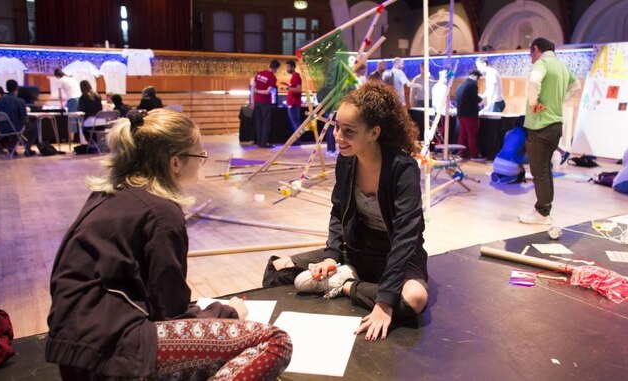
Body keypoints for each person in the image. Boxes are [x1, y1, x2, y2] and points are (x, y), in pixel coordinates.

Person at [45, 109, 292, 380]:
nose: (202, 162)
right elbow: (173, 314)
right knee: (274, 341)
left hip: (76, 353)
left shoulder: (107, 195)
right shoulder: (161, 213)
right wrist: (228, 312)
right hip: (116, 351)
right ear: (175, 162)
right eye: (199, 155)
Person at [263, 81, 429, 341]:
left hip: (398, 255)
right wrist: (330, 255)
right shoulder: (346, 160)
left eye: (348, 131)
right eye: (336, 127)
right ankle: (346, 275)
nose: (338, 137)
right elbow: (338, 211)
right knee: (279, 269)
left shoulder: (403, 168)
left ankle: (346, 286)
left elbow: (406, 237)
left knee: (415, 299)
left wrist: (384, 303)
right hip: (356, 250)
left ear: (374, 133)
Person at [519, 37, 580, 225]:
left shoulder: (543, 63)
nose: (531, 58)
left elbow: (534, 81)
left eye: (531, 53)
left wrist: (534, 103)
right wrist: (560, 102)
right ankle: (544, 209)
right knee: (545, 170)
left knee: (539, 171)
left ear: (536, 49)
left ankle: (542, 212)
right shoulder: (561, 66)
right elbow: (576, 85)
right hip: (555, 126)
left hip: (540, 126)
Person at [0, 79, 37, 156]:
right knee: (34, 127)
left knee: (18, 127)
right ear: (17, 88)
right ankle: (27, 149)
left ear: (6, 88)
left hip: (2, 127)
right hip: (15, 126)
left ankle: (12, 147)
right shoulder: (20, 101)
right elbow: (23, 118)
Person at [250, 59, 279, 148]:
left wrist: (252, 101)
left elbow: (252, 88)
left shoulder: (259, 74)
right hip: (265, 103)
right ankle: (263, 142)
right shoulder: (272, 78)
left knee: (259, 122)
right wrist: (258, 91)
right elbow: (267, 92)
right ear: (276, 68)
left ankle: (259, 141)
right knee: (266, 123)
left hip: (257, 101)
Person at [455, 70, 484, 161]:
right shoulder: (472, 85)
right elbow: (474, 99)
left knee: (462, 134)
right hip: (470, 115)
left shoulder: (462, 84)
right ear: (476, 76)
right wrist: (481, 100)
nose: (478, 80)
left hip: (461, 114)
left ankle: (461, 152)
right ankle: (474, 154)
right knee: (472, 134)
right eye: (478, 78)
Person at [281, 60, 302, 146]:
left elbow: (298, 89)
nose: (287, 69)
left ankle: (297, 140)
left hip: (294, 103)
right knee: (293, 121)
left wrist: (287, 88)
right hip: (291, 103)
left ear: (293, 67)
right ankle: (295, 139)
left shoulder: (296, 76)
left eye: (288, 67)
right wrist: (288, 86)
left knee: (295, 122)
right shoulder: (294, 77)